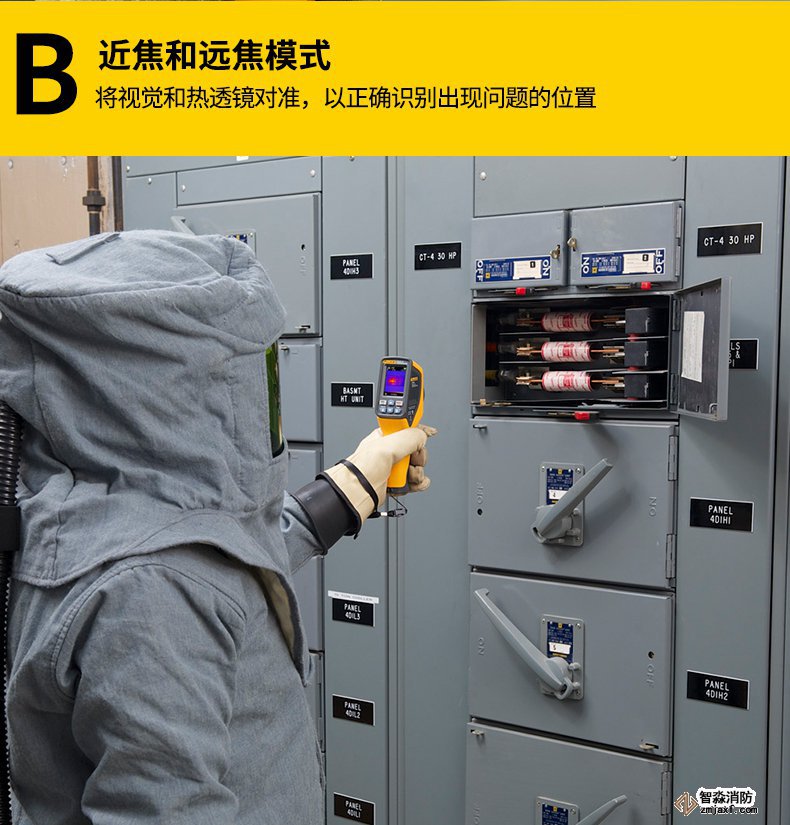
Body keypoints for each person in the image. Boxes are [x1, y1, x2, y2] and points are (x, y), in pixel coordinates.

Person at [0, 230, 434, 824]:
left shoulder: (86, 510)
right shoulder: (155, 593)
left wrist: (351, 488)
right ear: (177, 387)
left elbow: (214, 560)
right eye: (251, 377)